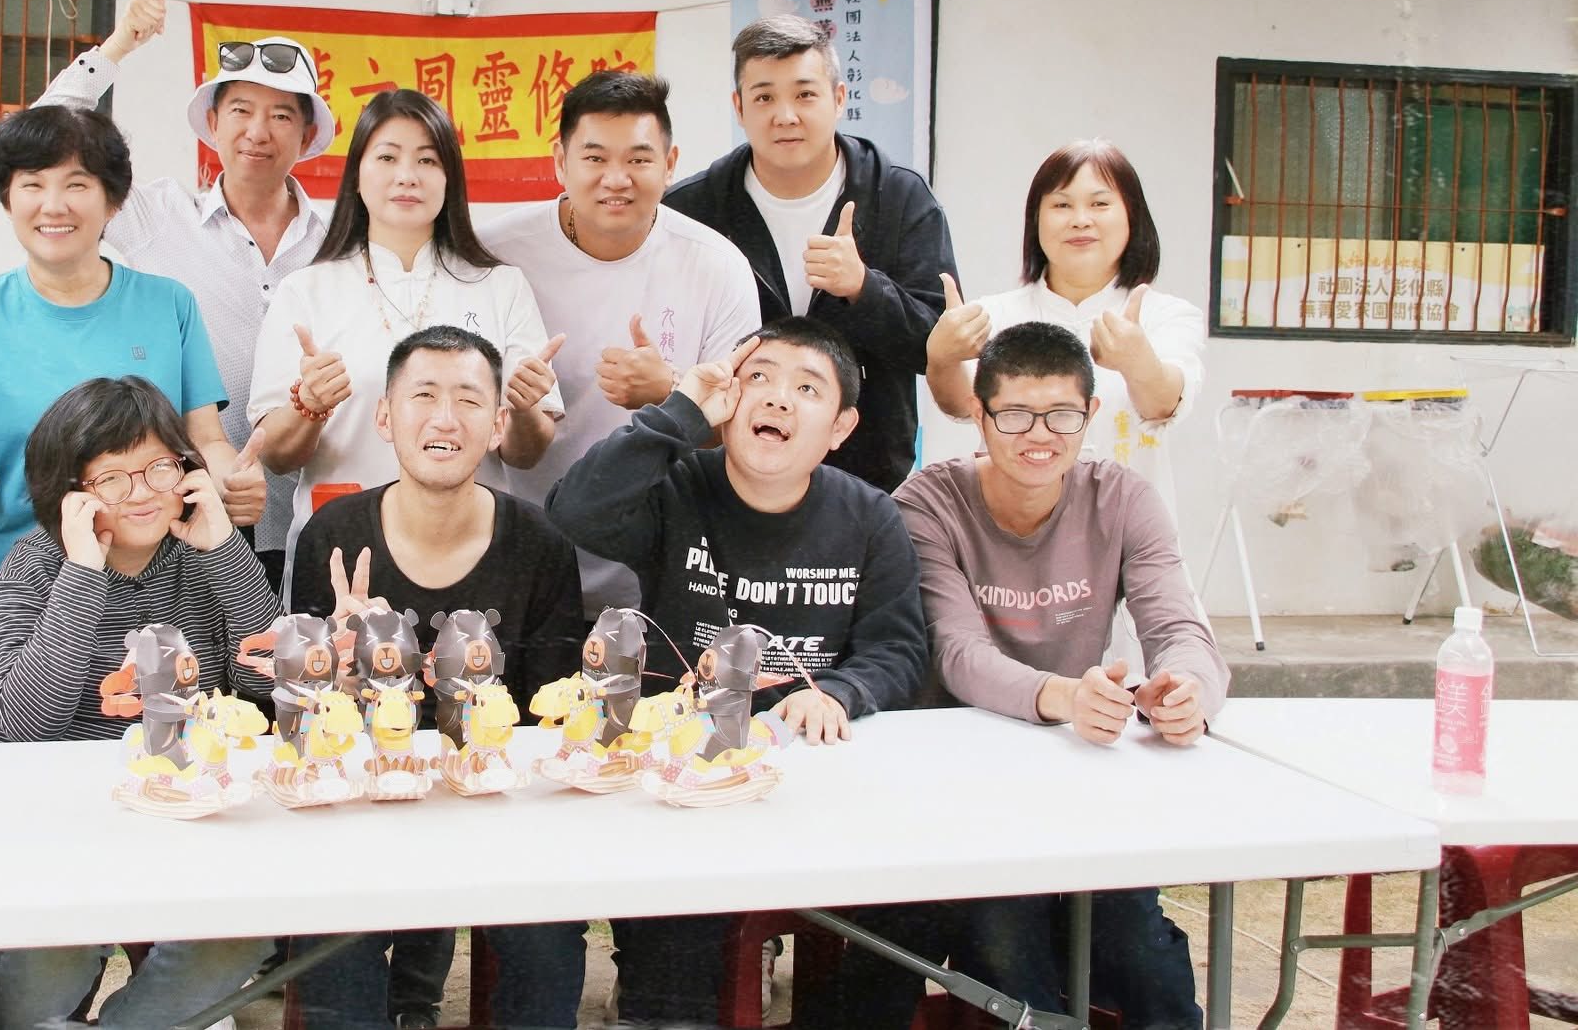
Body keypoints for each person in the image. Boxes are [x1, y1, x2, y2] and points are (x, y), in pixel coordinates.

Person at [545, 317, 938, 1028]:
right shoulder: (678, 488)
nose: (778, 397)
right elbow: (573, 510)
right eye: (759, 377)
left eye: (807, 388)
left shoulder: (870, 517)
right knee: (676, 989)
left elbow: (898, 649)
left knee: (891, 923)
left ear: (841, 427)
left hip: (810, 769)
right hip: (685, 772)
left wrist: (839, 691)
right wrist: (681, 413)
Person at [895, 321, 1228, 1027]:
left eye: (1062, 415)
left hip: (1084, 774)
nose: (1039, 435)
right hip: (967, 779)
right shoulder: (927, 504)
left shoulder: (1125, 499)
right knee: (1003, 936)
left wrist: (1187, 690)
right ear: (979, 414)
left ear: (1091, 414)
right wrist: (1064, 695)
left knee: (1134, 941)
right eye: (1015, 414)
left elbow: (1179, 627)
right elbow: (956, 652)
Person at [0, 102, 266, 745]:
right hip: (5, 599)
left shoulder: (169, 304)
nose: (53, 204)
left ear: (113, 202)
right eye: (32, 183)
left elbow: (206, 440)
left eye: (76, 183)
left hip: (153, 594)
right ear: (7, 199)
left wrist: (234, 481)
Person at [286, 326, 589, 1030]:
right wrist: (341, 672)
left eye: (468, 400)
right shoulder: (333, 536)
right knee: (334, 929)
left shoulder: (540, 545)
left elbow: (550, 718)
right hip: (364, 798)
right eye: (423, 396)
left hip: (496, 798)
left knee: (547, 932)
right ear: (384, 416)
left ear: (498, 424)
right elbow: (301, 724)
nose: (445, 419)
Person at [0, 375, 280, 1030]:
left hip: (182, 811)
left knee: (241, 931)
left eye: (159, 468)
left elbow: (270, 684)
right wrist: (83, 571)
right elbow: (25, 726)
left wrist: (227, 551)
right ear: (70, 493)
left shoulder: (205, 554)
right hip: (55, 823)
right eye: (112, 477)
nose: (142, 493)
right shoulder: (32, 566)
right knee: (49, 955)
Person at [36, 0, 334, 592]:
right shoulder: (159, 218)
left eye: (281, 116)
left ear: (306, 137)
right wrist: (119, 46)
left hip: (305, 521)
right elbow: (45, 137)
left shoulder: (338, 244)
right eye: (241, 109)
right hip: (183, 523)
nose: (258, 131)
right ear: (213, 124)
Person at [479, 69, 760, 612]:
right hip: (517, 564)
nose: (616, 179)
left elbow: (742, 428)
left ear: (670, 164)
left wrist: (672, 392)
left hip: (660, 572)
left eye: (638, 159)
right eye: (595, 158)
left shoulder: (717, 265)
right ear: (560, 161)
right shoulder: (496, 254)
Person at [250, 88, 563, 576]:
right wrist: (308, 407)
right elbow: (274, 455)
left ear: (449, 179)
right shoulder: (306, 291)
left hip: (473, 552)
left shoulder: (500, 286)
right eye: (387, 157)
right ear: (356, 175)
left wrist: (523, 409)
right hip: (341, 549)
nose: (407, 176)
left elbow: (526, 454)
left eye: (427, 160)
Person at [924, 139, 1208, 666]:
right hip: (1020, 561)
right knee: (1015, 689)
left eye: (1100, 203)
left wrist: (1136, 359)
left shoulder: (1168, 315)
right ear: (1036, 220)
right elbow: (962, 404)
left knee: (1147, 683)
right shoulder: (994, 313)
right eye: (1061, 204)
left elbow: (1164, 402)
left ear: (1132, 216)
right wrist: (940, 357)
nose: (1081, 219)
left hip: (1128, 547)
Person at [664, 14, 957, 493]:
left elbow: (936, 347)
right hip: (724, 483)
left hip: (865, 480)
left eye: (804, 94)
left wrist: (864, 288)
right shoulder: (691, 209)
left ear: (839, 98)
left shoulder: (900, 197)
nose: (785, 116)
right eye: (764, 97)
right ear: (739, 107)